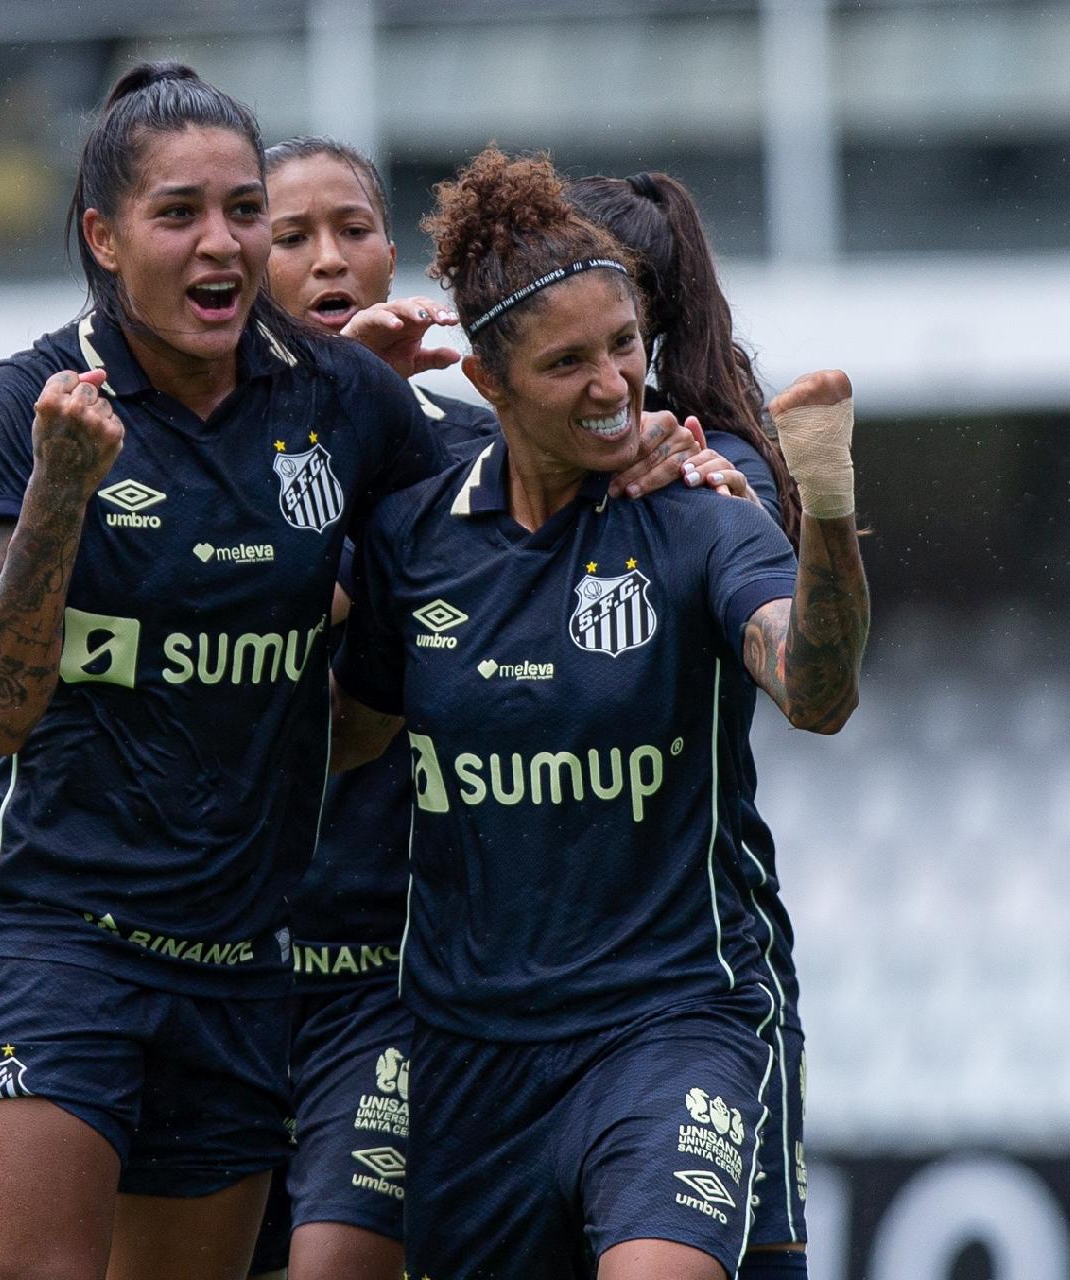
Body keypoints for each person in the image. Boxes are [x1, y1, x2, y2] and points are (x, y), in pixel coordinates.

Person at [0, 62, 454, 1280]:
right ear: (105, 238)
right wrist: (64, 488)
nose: (221, 243)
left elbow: (480, 557)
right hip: (52, 928)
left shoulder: (347, 406)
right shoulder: (23, 408)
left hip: (235, 955)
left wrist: (650, 462)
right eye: (179, 215)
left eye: (241, 210)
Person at [330, 147, 869, 1280]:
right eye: (567, 361)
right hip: (470, 1056)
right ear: (488, 383)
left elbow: (817, 692)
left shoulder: (700, 508)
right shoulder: (416, 541)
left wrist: (825, 510)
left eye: (624, 345)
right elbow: (343, 738)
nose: (614, 383)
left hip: (669, 1025)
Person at [249, 136, 730, 1280]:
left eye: (355, 229)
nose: (330, 260)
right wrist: (319, 414)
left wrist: (679, 452)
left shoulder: (487, 457)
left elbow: (660, 495)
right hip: (204, 951)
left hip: (392, 986)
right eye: (291, 235)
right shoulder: (179, 453)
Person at [567, 171, 813, 1277]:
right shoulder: (468, 492)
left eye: (609, 323)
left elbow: (812, 677)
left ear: (649, 323)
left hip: (691, 987)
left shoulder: (715, 477)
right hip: (511, 1002)